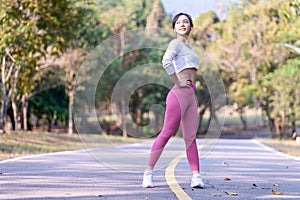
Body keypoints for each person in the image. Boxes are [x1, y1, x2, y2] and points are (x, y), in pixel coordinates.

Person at [142, 13, 204, 188]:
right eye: (178, 22)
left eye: (186, 22)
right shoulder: (175, 43)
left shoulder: (190, 48)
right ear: (174, 27)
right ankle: (148, 173)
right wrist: (178, 81)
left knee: (190, 137)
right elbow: (166, 61)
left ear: (191, 26)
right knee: (167, 132)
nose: (182, 24)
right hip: (179, 94)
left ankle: (196, 176)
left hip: (190, 96)